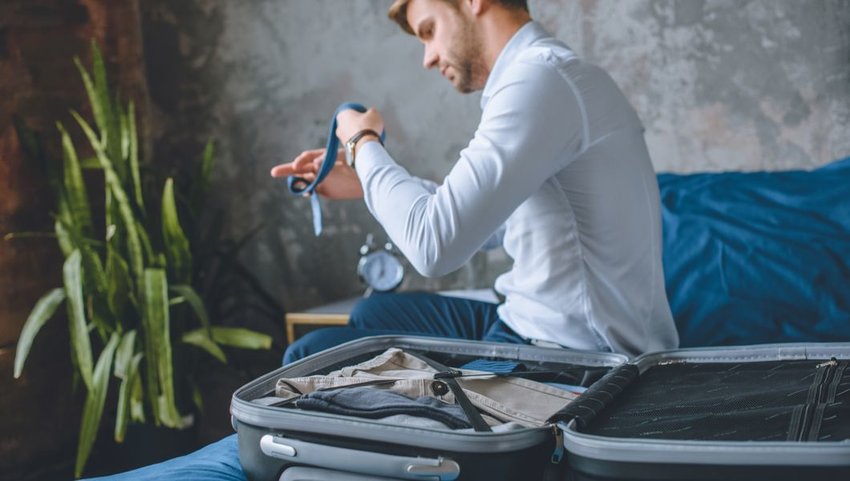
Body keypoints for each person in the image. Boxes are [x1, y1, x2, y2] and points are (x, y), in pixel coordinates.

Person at [87, 1, 677, 479]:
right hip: (528, 323)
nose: (426, 57)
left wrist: (362, 144)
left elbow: (437, 244)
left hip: (574, 359)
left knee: (304, 363)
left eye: (428, 30)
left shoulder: (540, 81)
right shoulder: (542, 79)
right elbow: (492, 226)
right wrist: (365, 185)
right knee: (370, 315)